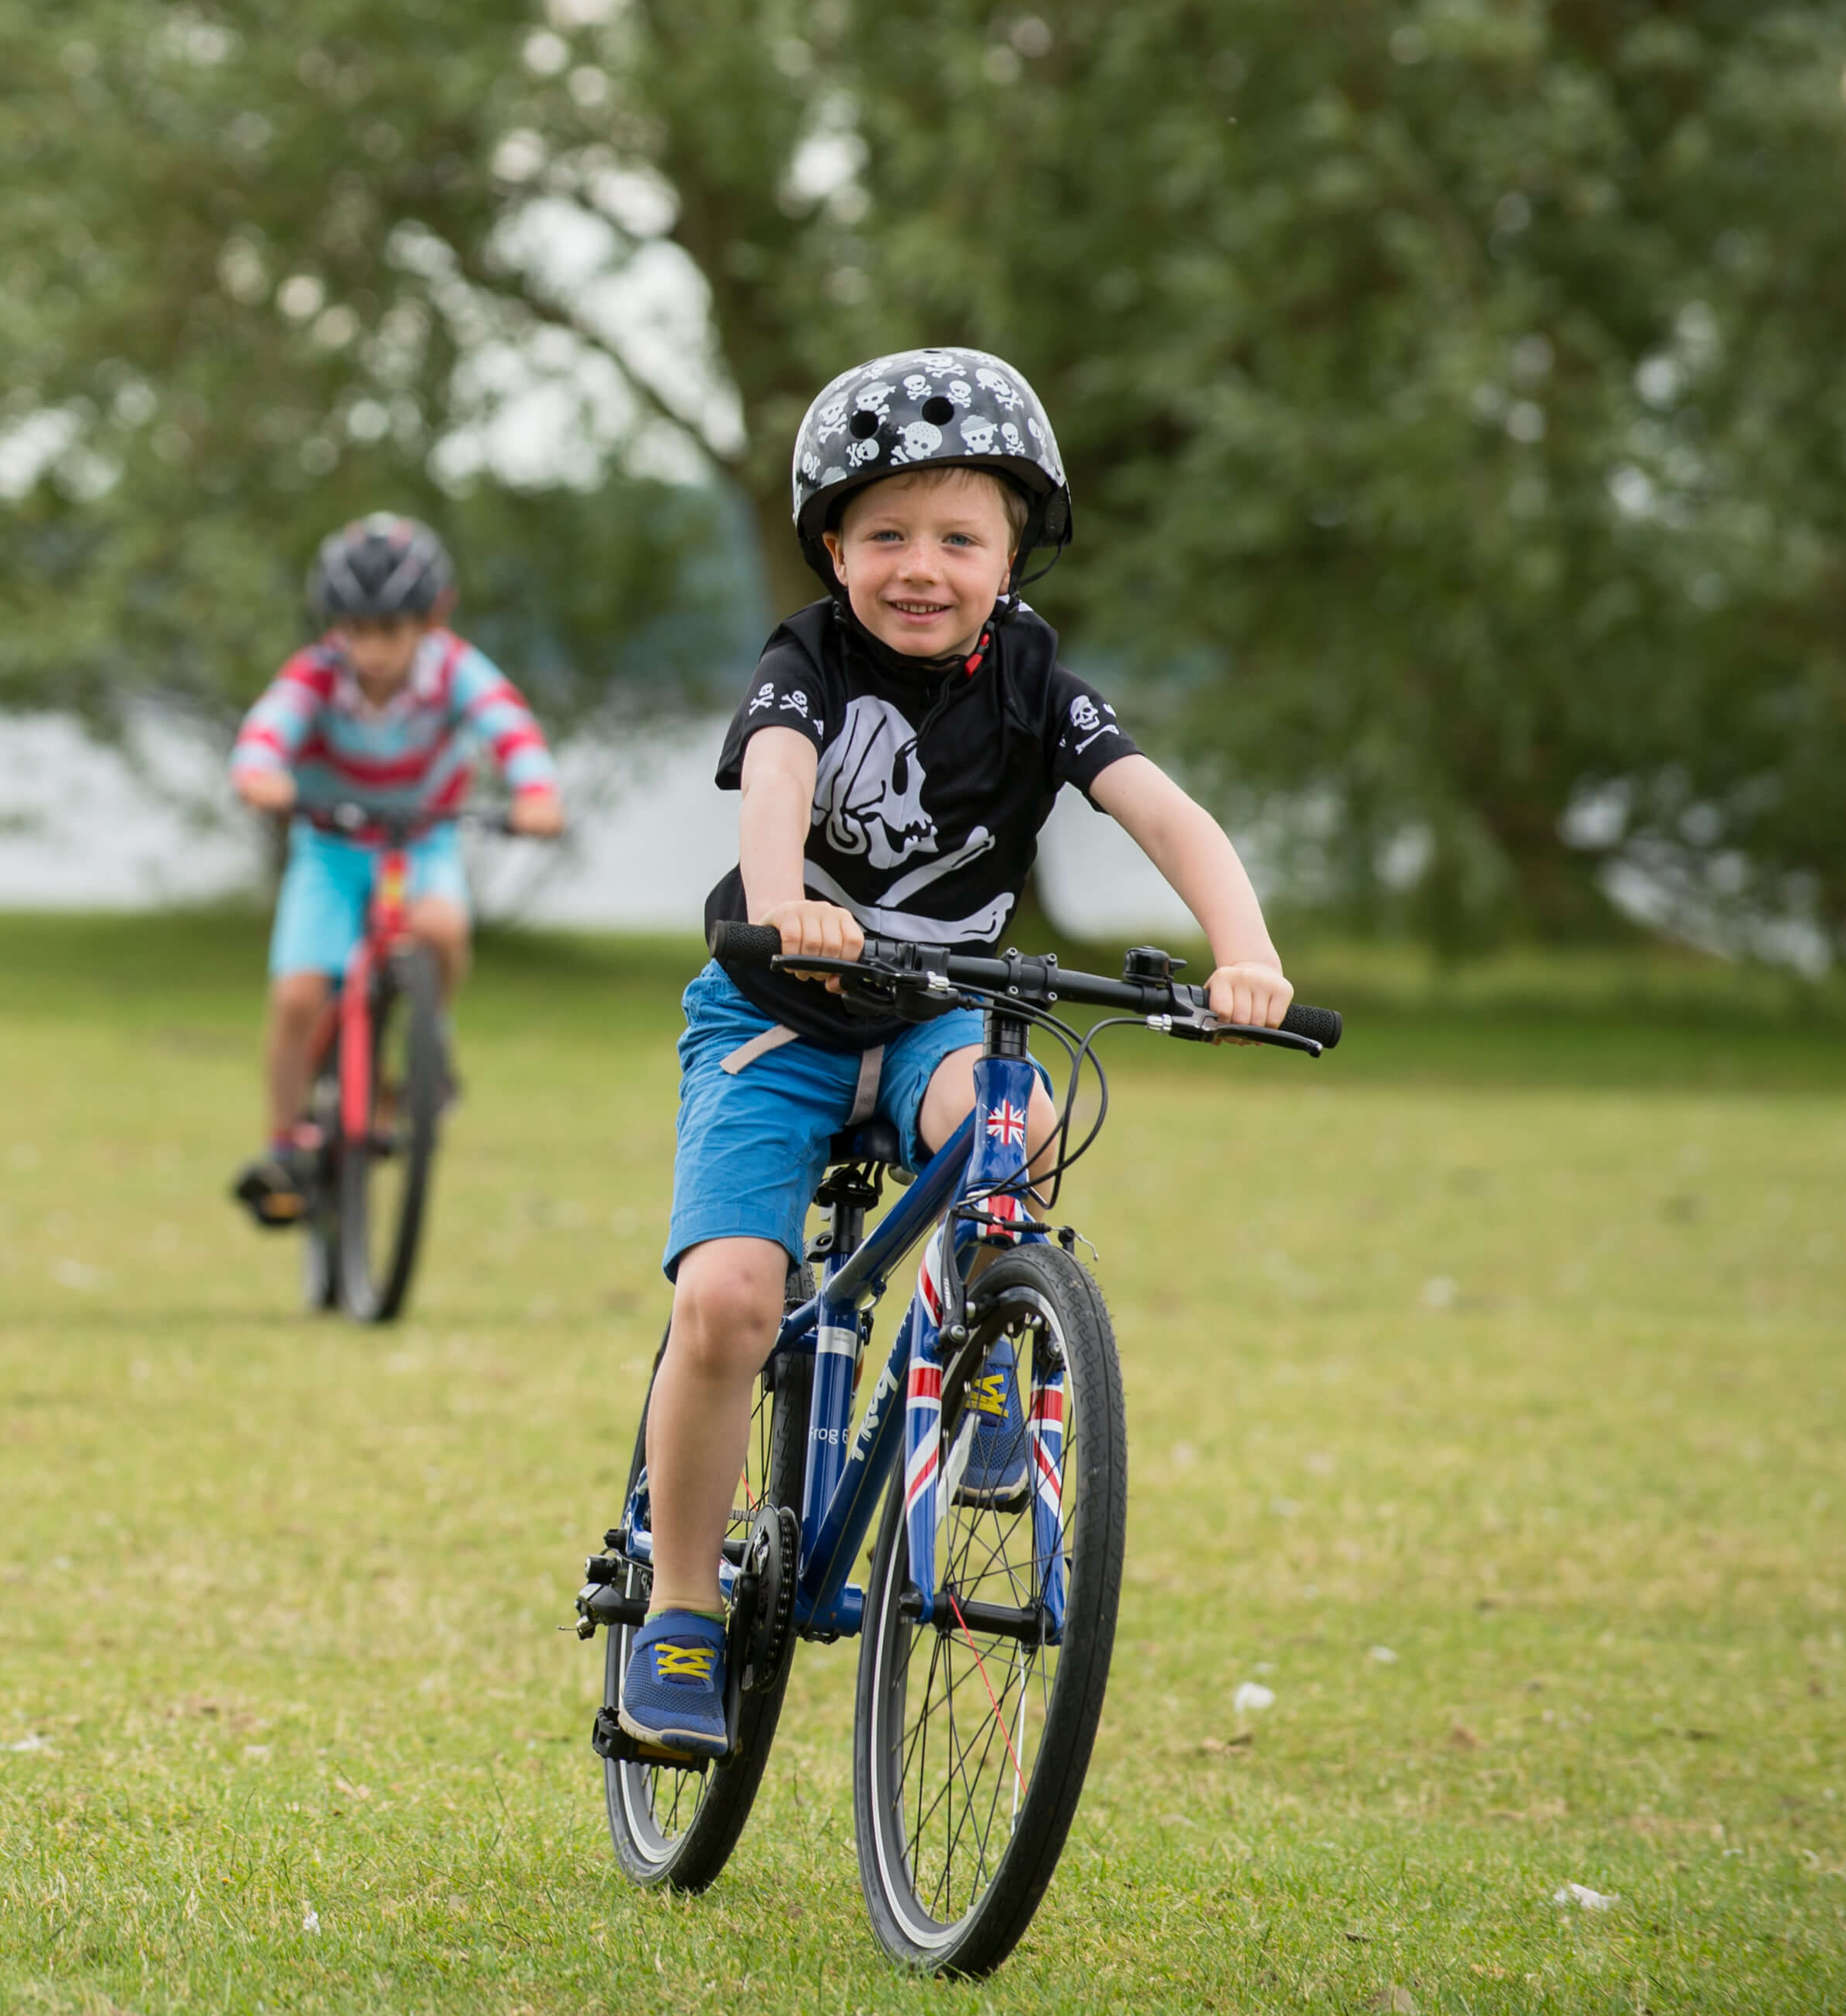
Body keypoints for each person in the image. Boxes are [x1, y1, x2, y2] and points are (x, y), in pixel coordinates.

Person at [615, 347, 1298, 1762]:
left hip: (933, 1009)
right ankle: (678, 1611)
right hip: (777, 1015)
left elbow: (1158, 810)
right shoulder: (806, 661)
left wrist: (1245, 952)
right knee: (734, 1302)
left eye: (956, 538)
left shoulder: (1036, 678)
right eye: (883, 536)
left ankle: (985, 1354)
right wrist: (781, 899)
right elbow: (780, 781)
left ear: (1010, 555)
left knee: (1019, 1116)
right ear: (830, 547)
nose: (918, 567)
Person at [224, 513, 567, 1224]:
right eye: (357, 631)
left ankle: (424, 1047)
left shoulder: (455, 670)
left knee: (439, 927)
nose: (373, 650)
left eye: (391, 631)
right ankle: (284, 1144)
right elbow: (267, 731)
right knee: (297, 995)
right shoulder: (316, 675)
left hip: (422, 843)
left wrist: (535, 794)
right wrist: (261, 775)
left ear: (430, 620)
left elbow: (510, 727)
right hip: (331, 850)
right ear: (335, 626)